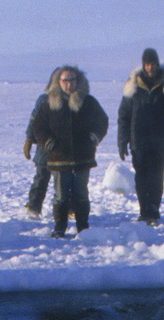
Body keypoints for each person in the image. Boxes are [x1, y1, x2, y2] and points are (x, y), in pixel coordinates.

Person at [30, 65, 108, 238]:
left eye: (72, 80)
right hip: (59, 157)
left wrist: (93, 138)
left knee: (81, 193)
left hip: (83, 157)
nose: (69, 84)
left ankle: (83, 226)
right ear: (59, 82)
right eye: (65, 80)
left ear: (77, 80)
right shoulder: (49, 102)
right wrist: (49, 143)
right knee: (61, 195)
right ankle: (60, 227)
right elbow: (38, 126)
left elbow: (102, 121)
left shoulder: (88, 101)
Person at [117, 48, 164, 225]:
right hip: (138, 140)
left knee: (156, 175)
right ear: (143, 64)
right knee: (141, 176)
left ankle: (153, 209)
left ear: (157, 64)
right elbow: (124, 115)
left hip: (160, 140)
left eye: (153, 64)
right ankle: (143, 209)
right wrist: (122, 141)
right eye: (147, 64)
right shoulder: (133, 85)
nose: (150, 67)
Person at [20, 67, 62, 218]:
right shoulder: (44, 100)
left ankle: (69, 209)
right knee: (41, 178)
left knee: (65, 180)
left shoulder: (72, 101)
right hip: (44, 146)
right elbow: (34, 121)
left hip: (64, 148)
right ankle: (33, 207)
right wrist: (29, 139)